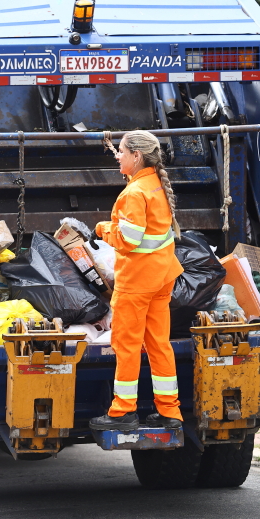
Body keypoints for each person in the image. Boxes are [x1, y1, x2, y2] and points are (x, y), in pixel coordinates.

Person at [89, 130, 185, 432]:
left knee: (126, 345)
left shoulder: (133, 193)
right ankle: (170, 412)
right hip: (162, 277)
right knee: (159, 344)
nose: (117, 156)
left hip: (138, 282)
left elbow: (128, 241)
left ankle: (123, 412)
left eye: (120, 151)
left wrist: (103, 228)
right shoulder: (157, 185)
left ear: (136, 156)